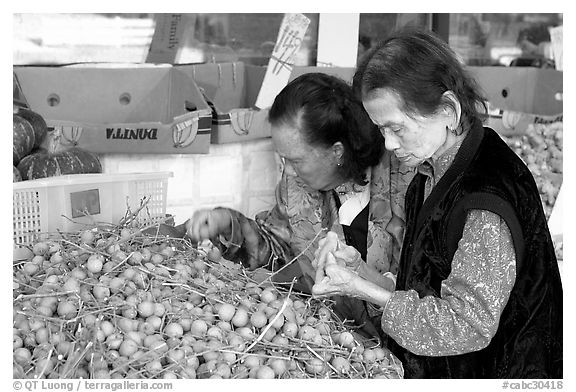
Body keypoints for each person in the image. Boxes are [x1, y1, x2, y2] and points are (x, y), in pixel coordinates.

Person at [312, 29, 563, 379]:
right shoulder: (432, 170)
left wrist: (362, 290)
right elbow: (425, 289)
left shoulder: (485, 198)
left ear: (448, 109)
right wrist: (358, 272)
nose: (387, 143)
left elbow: (466, 324)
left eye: (396, 128)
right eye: (381, 129)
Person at [180, 72, 413, 340]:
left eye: (296, 160)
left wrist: (363, 277)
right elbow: (279, 252)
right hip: (327, 343)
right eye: (282, 159)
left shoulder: (403, 181)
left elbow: (422, 292)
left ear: (336, 151)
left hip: (398, 351)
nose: (287, 171)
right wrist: (228, 225)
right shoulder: (296, 188)